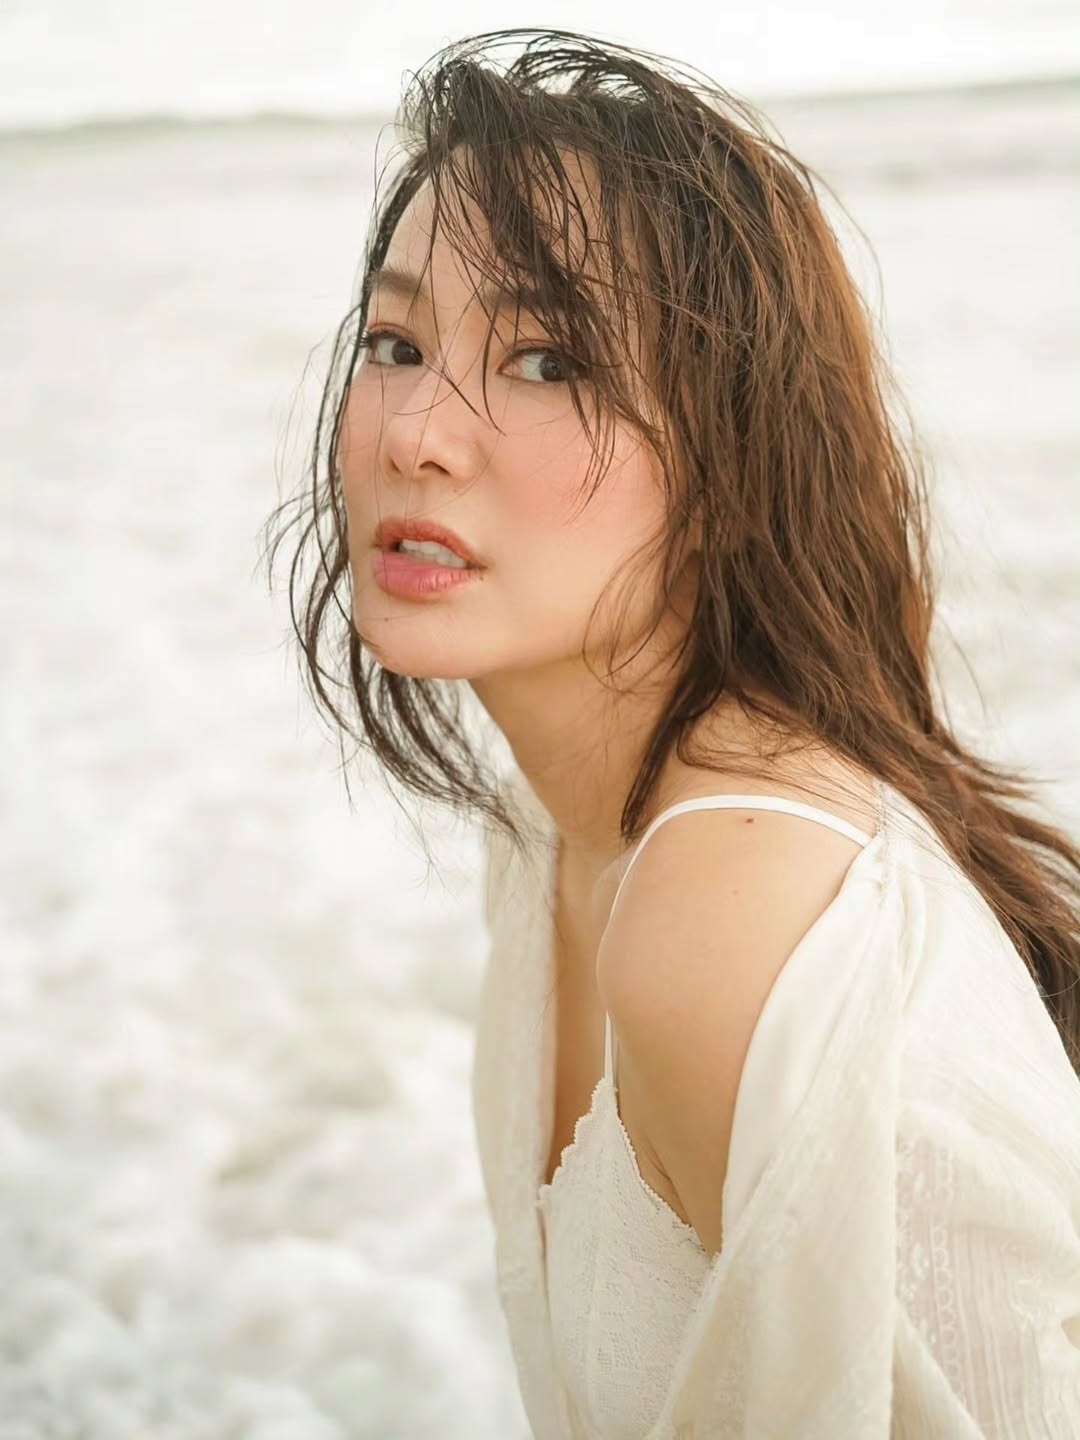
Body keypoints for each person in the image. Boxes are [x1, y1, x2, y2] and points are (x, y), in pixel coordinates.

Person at [263, 27, 1080, 1439]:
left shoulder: (726, 907)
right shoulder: (555, 836)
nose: (416, 433)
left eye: (548, 359)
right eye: (396, 344)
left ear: (733, 455)